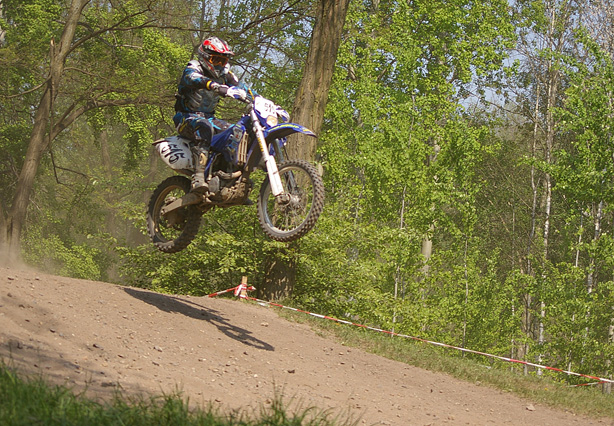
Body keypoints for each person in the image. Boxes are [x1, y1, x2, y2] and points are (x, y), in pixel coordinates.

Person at [173, 36, 249, 194]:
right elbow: (193, 78)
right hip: (185, 117)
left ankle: (227, 176)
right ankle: (198, 176)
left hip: (209, 117)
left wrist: (262, 101)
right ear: (205, 57)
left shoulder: (226, 75)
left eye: (223, 60)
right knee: (204, 126)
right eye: (216, 60)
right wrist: (215, 86)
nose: (219, 64)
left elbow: (244, 88)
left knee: (237, 132)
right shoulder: (194, 68)